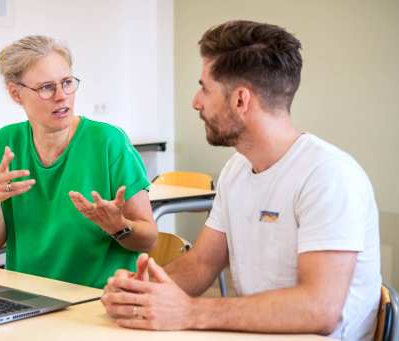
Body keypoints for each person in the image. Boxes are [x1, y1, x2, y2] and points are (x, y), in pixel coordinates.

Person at [101, 20, 381, 341]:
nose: (196, 101)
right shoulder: (237, 169)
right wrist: (139, 292)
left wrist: (191, 312)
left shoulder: (329, 175)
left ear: (240, 100)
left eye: (205, 88)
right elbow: (202, 263)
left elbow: (319, 309)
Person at [0, 35, 158, 288]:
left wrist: (119, 226)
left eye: (67, 83)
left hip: (98, 298)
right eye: (47, 87)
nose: (62, 96)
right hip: (26, 295)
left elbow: (148, 239)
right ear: (16, 93)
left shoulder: (108, 141)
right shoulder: (5, 142)